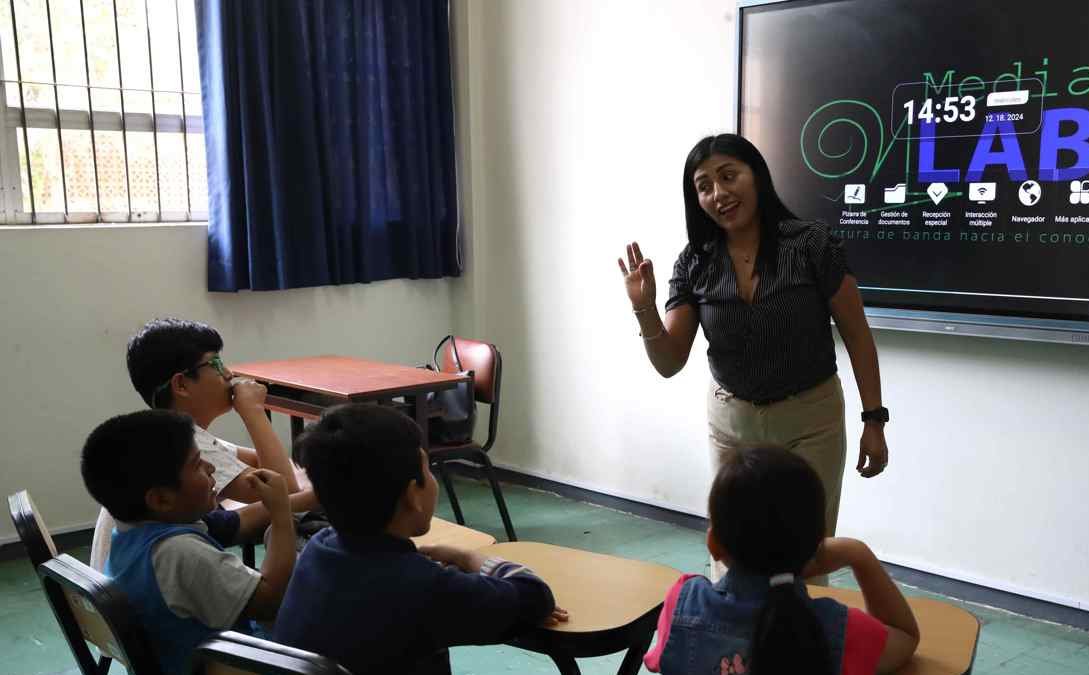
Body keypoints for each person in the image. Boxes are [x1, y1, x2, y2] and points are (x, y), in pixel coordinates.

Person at [618, 133, 890, 578]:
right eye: (704, 186)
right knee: (732, 554)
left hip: (811, 421)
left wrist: (874, 421)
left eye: (729, 176)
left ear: (757, 176)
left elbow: (858, 337)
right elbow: (669, 362)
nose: (718, 194)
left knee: (806, 555)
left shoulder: (811, 245)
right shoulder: (695, 263)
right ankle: (731, 626)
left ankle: (801, 625)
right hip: (732, 425)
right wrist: (644, 308)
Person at [272, 404, 567, 675]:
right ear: (413, 494)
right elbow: (536, 597)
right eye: (428, 468)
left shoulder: (317, 548)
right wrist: (469, 558)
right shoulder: (422, 586)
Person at [643, 447, 919, 675]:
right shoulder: (840, 630)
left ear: (714, 544)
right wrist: (858, 554)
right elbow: (905, 637)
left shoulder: (682, 601)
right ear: (817, 547)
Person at [80, 410, 299, 675]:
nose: (211, 468)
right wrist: (281, 518)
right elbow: (269, 601)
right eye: (197, 464)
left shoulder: (134, 534)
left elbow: (236, 524)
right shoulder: (179, 553)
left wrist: (290, 502)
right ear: (161, 499)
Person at [126, 318, 303, 504]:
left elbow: (261, 462)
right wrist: (254, 411)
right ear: (181, 385)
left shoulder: (179, 434)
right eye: (216, 364)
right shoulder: (185, 448)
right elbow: (284, 496)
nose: (228, 374)